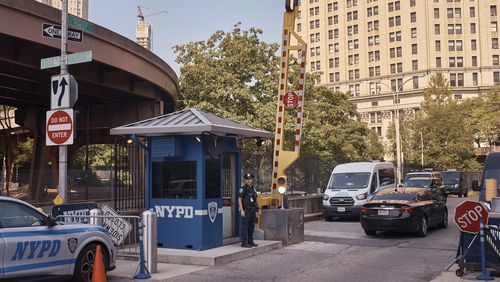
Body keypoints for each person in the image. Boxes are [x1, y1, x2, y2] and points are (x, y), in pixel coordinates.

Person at [238, 173, 258, 248]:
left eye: (250, 179)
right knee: (245, 227)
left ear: (252, 180)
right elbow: (239, 199)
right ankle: (244, 243)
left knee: (251, 226)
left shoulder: (253, 188)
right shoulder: (243, 189)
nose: (248, 181)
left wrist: (258, 209)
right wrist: (242, 210)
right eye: (247, 179)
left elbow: (256, 199)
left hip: (253, 210)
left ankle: (250, 241)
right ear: (245, 180)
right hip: (246, 210)